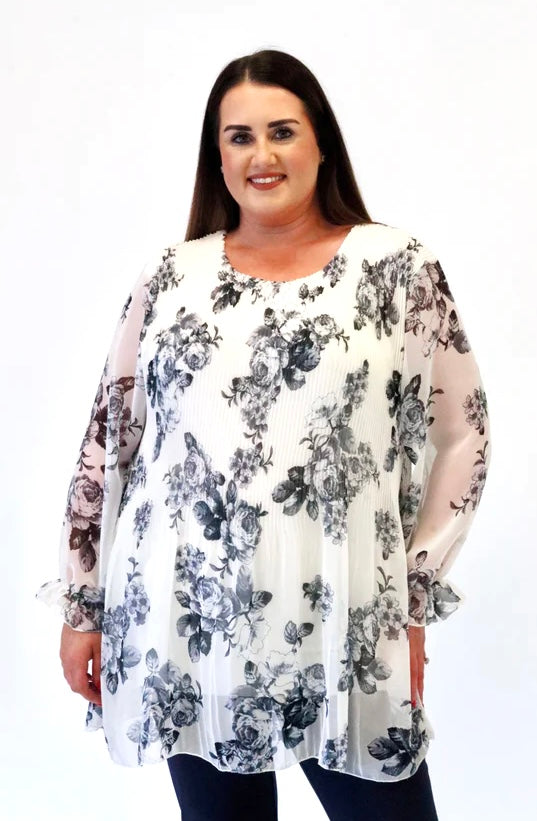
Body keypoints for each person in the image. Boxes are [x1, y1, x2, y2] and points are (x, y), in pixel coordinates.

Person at [36, 48, 491, 820]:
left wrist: (410, 598)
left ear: (321, 142)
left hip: (346, 625)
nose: (262, 155)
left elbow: (462, 433)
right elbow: (110, 439)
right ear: (216, 158)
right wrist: (84, 606)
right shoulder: (170, 277)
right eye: (238, 137)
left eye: (282, 131)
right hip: (186, 622)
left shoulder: (395, 267)